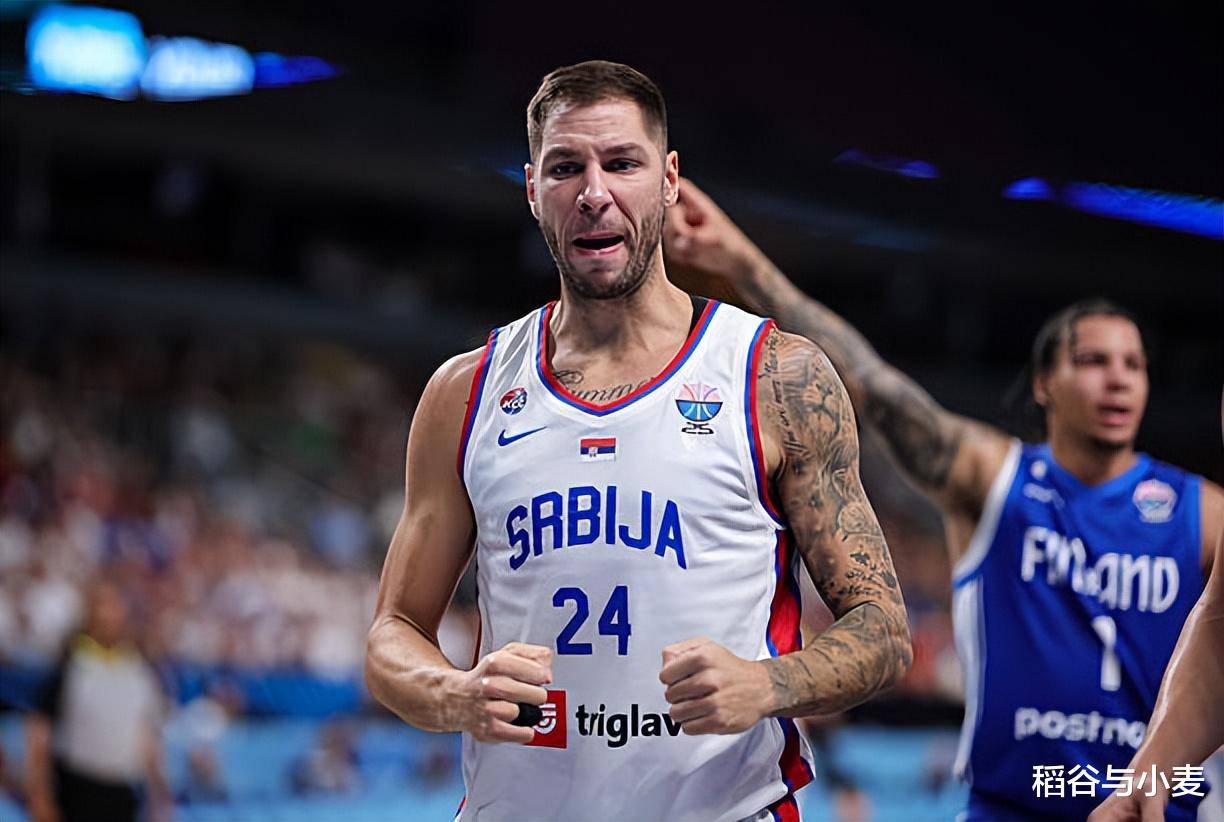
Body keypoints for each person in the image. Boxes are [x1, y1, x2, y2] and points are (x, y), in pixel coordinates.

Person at [365, 60, 912, 821]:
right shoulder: (466, 390)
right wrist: (455, 693)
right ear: (532, 189)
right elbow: (392, 634)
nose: (594, 193)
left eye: (622, 163)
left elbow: (883, 631)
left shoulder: (773, 376)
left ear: (669, 181)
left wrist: (767, 683)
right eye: (566, 168)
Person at [663, 179, 1224, 821]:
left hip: (1153, 808)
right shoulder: (996, 479)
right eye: (1094, 360)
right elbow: (870, 382)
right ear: (1044, 383)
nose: (1118, 378)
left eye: (1134, 364)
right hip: (1015, 808)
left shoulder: (1203, 512)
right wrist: (742, 263)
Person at [25, 581, 172, 822]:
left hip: (123, 789)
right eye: (101, 605)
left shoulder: (140, 670)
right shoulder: (69, 665)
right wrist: (39, 794)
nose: (108, 614)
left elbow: (147, 734)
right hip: (76, 787)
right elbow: (40, 731)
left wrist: (159, 791)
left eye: (114, 606)